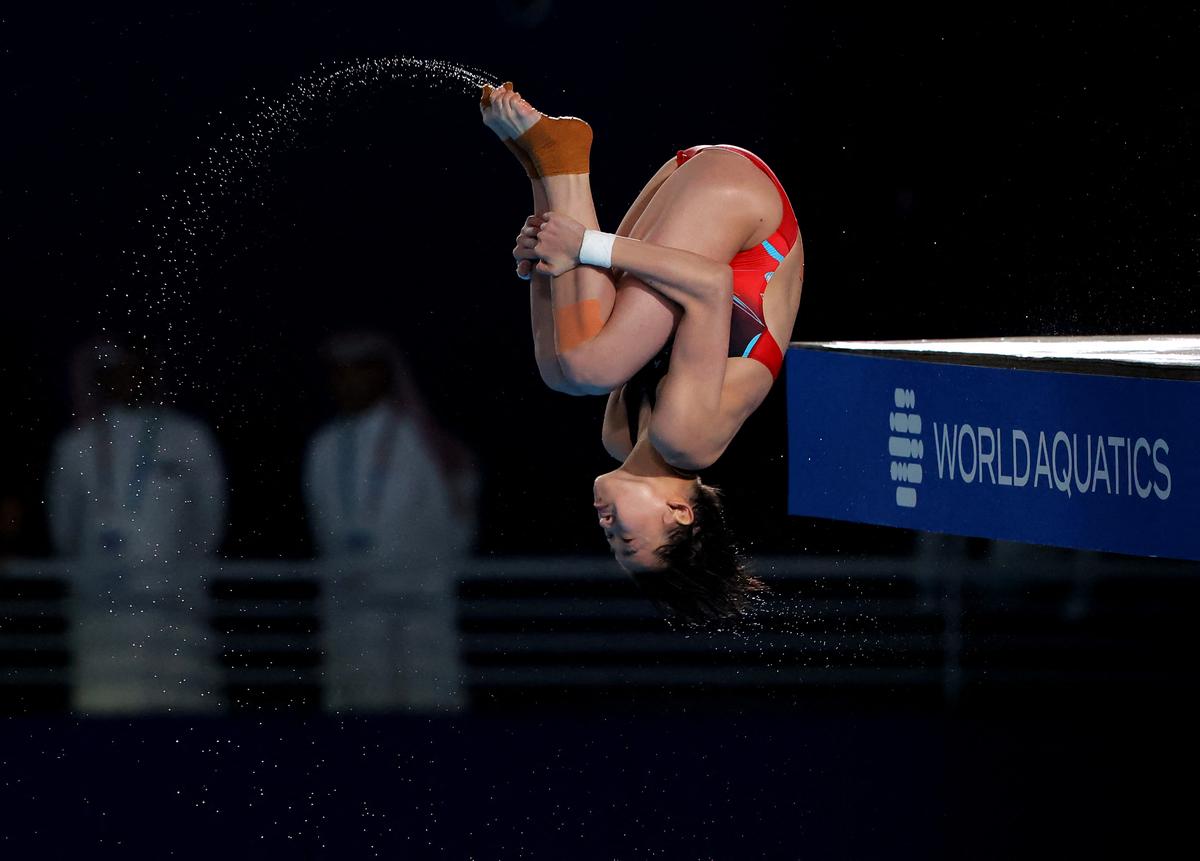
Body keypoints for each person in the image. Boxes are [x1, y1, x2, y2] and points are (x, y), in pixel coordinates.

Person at [479, 83, 805, 622]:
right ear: (680, 512)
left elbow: (588, 303)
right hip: (745, 208)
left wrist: (542, 253)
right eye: (628, 544)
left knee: (566, 369)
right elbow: (709, 284)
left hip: (692, 181)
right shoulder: (689, 440)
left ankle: (544, 165)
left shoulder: (621, 435)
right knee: (588, 366)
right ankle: (559, 161)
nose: (608, 531)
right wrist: (582, 246)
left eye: (611, 547)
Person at [46, 337, 227, 712]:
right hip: (101, 615)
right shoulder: (74, 445)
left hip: (174, 609)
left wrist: (178, 575)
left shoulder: (188, 438)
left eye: (133, 368)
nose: (126, 379)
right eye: (115, 371)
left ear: (150, 371)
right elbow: (64, 531)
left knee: (183, 715)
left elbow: (209, 521)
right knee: (106, 714)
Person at [303, 331, 476, 710]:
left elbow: (458, 519)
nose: (349, 382)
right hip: (351, 602)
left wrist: (426, 573)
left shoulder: (425, 441)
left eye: (359, 371)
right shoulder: (324, 445)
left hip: (418, 604)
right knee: (356, 703)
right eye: (340, 373)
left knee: (426, 705)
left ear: (383, 374)